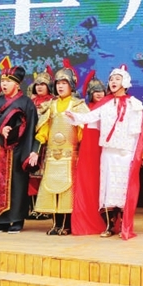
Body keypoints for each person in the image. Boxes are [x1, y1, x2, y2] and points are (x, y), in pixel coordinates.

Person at [65, 65, 143, 239]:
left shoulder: (134, 104)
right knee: (107, 187)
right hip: (108, 152)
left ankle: (122, 224)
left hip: (125, 153)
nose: (113, 82)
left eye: (117, 79)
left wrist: (133, 154)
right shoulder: (106, 104)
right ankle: (109, 225)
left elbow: (136, 133)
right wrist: (75, 116)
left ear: (125, 82)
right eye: (111, 79)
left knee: (122, 189)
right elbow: (90, 117)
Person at [33, 66, 89, 235]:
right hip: (52, 156)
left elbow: (85, 133)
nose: (60, 86)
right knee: (52, 190)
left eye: (64, 83)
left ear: (71, 85)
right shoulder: (50, 105)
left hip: (70, 156)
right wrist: (35, 151)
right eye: (58, 83)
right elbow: (42, 131)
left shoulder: (78, 106)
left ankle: (66, 225)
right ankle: (56, 225)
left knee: (67, 192)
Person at [0, 65, 39, 234]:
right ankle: (1, 220)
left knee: (18, 184)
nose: (4, 84)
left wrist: (30, 150)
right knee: (0, 184)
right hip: (2, 148)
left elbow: (32, 126)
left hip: (19, 148)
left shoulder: (26, 102)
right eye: (2, 81)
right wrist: (1, 127)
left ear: (17, 84)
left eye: (8, 81)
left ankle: (17, 220)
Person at [71, 76, 107, 235]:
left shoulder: (109, 109)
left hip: (104, 151)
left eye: (101, 91)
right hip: (88, 152)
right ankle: (87, 221)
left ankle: (107, 221)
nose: (98, 93)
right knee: (88, 184)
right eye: (95, 91)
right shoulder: (85, 109)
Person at [28, 70, 54, 220]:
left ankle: (46, 209)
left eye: (43, 84)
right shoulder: (30, 102)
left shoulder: (53, 102)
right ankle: (34, 209)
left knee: (45, 175)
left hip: (48, 144)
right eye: (37, 84)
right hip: (32, 143)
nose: (39, 86)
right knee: (32, 175)